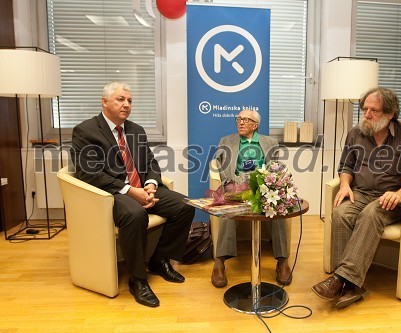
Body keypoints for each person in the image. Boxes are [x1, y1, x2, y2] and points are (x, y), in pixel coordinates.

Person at [71, 81, 194, 308]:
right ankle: (138, 279)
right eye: (120, 99)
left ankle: (159, 260)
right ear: (104, 102)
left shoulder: (136, 130)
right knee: (136, 215)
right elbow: (89, 173)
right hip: (112, 192)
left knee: (186, 205)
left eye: (129, 100)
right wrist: (130, 190)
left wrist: (150, 185)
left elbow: (150, 162)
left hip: (140, 188)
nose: (126, 105)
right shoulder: (85, 131)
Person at [311, 87, 401, 309]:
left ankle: (340, 279)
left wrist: (400, 194)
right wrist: (345, 185)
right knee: (340, 213)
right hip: (361, 192)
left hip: (393, 200)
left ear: (390, 114)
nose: (366, 115)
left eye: (373, 110)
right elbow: (346, 166)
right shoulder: (356, 133)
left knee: (370, 214)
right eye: (364, 109)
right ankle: (350, 286)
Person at [211, 109, 292, 288]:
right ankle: (219, 262)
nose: (240, 122)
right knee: (227, 212)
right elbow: (219, 163)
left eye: (245, 120)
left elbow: (275, 166)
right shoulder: (226, 141)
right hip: (236, 187)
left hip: (262, 187)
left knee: (276, 210)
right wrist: (229, 183)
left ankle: (282, 261)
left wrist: (267, 183)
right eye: (238, 119)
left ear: (255, 125)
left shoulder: (270, 142)